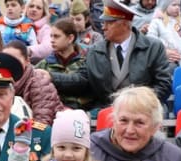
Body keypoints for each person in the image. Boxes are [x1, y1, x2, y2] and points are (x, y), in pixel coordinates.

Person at [43, 0, 172, 115]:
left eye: (108, 23)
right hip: (106, 112)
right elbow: (81, 79)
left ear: (124, 24)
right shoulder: (95, 51)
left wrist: (141, 104)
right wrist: (52, 77)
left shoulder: (153, 48)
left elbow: (163, 84)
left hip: (143, 111)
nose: (103, 27)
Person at [3, 40, 65, 126]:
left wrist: (22, 137)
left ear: (27, 61)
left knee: (17, 102)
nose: (10, 64)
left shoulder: (38, 82)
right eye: (6, 60)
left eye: (15, 60)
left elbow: (43, 121)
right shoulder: (1, 80)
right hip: (12, 132)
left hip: (44, 132)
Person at [36, 18, 91, 110]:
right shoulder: (44, 64)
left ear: (70, 38)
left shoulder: (85, 62)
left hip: (81, 113)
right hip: (51, 112)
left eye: (56, 36)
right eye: (51, 36)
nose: (52, 40)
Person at [147, 0, 181, 68]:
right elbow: (151, 38)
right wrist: (163, 51)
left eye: (179, 5)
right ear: (165, 6)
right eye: (174, 5)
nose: (177, 7)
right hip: (165, 58)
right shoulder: (157, 21)